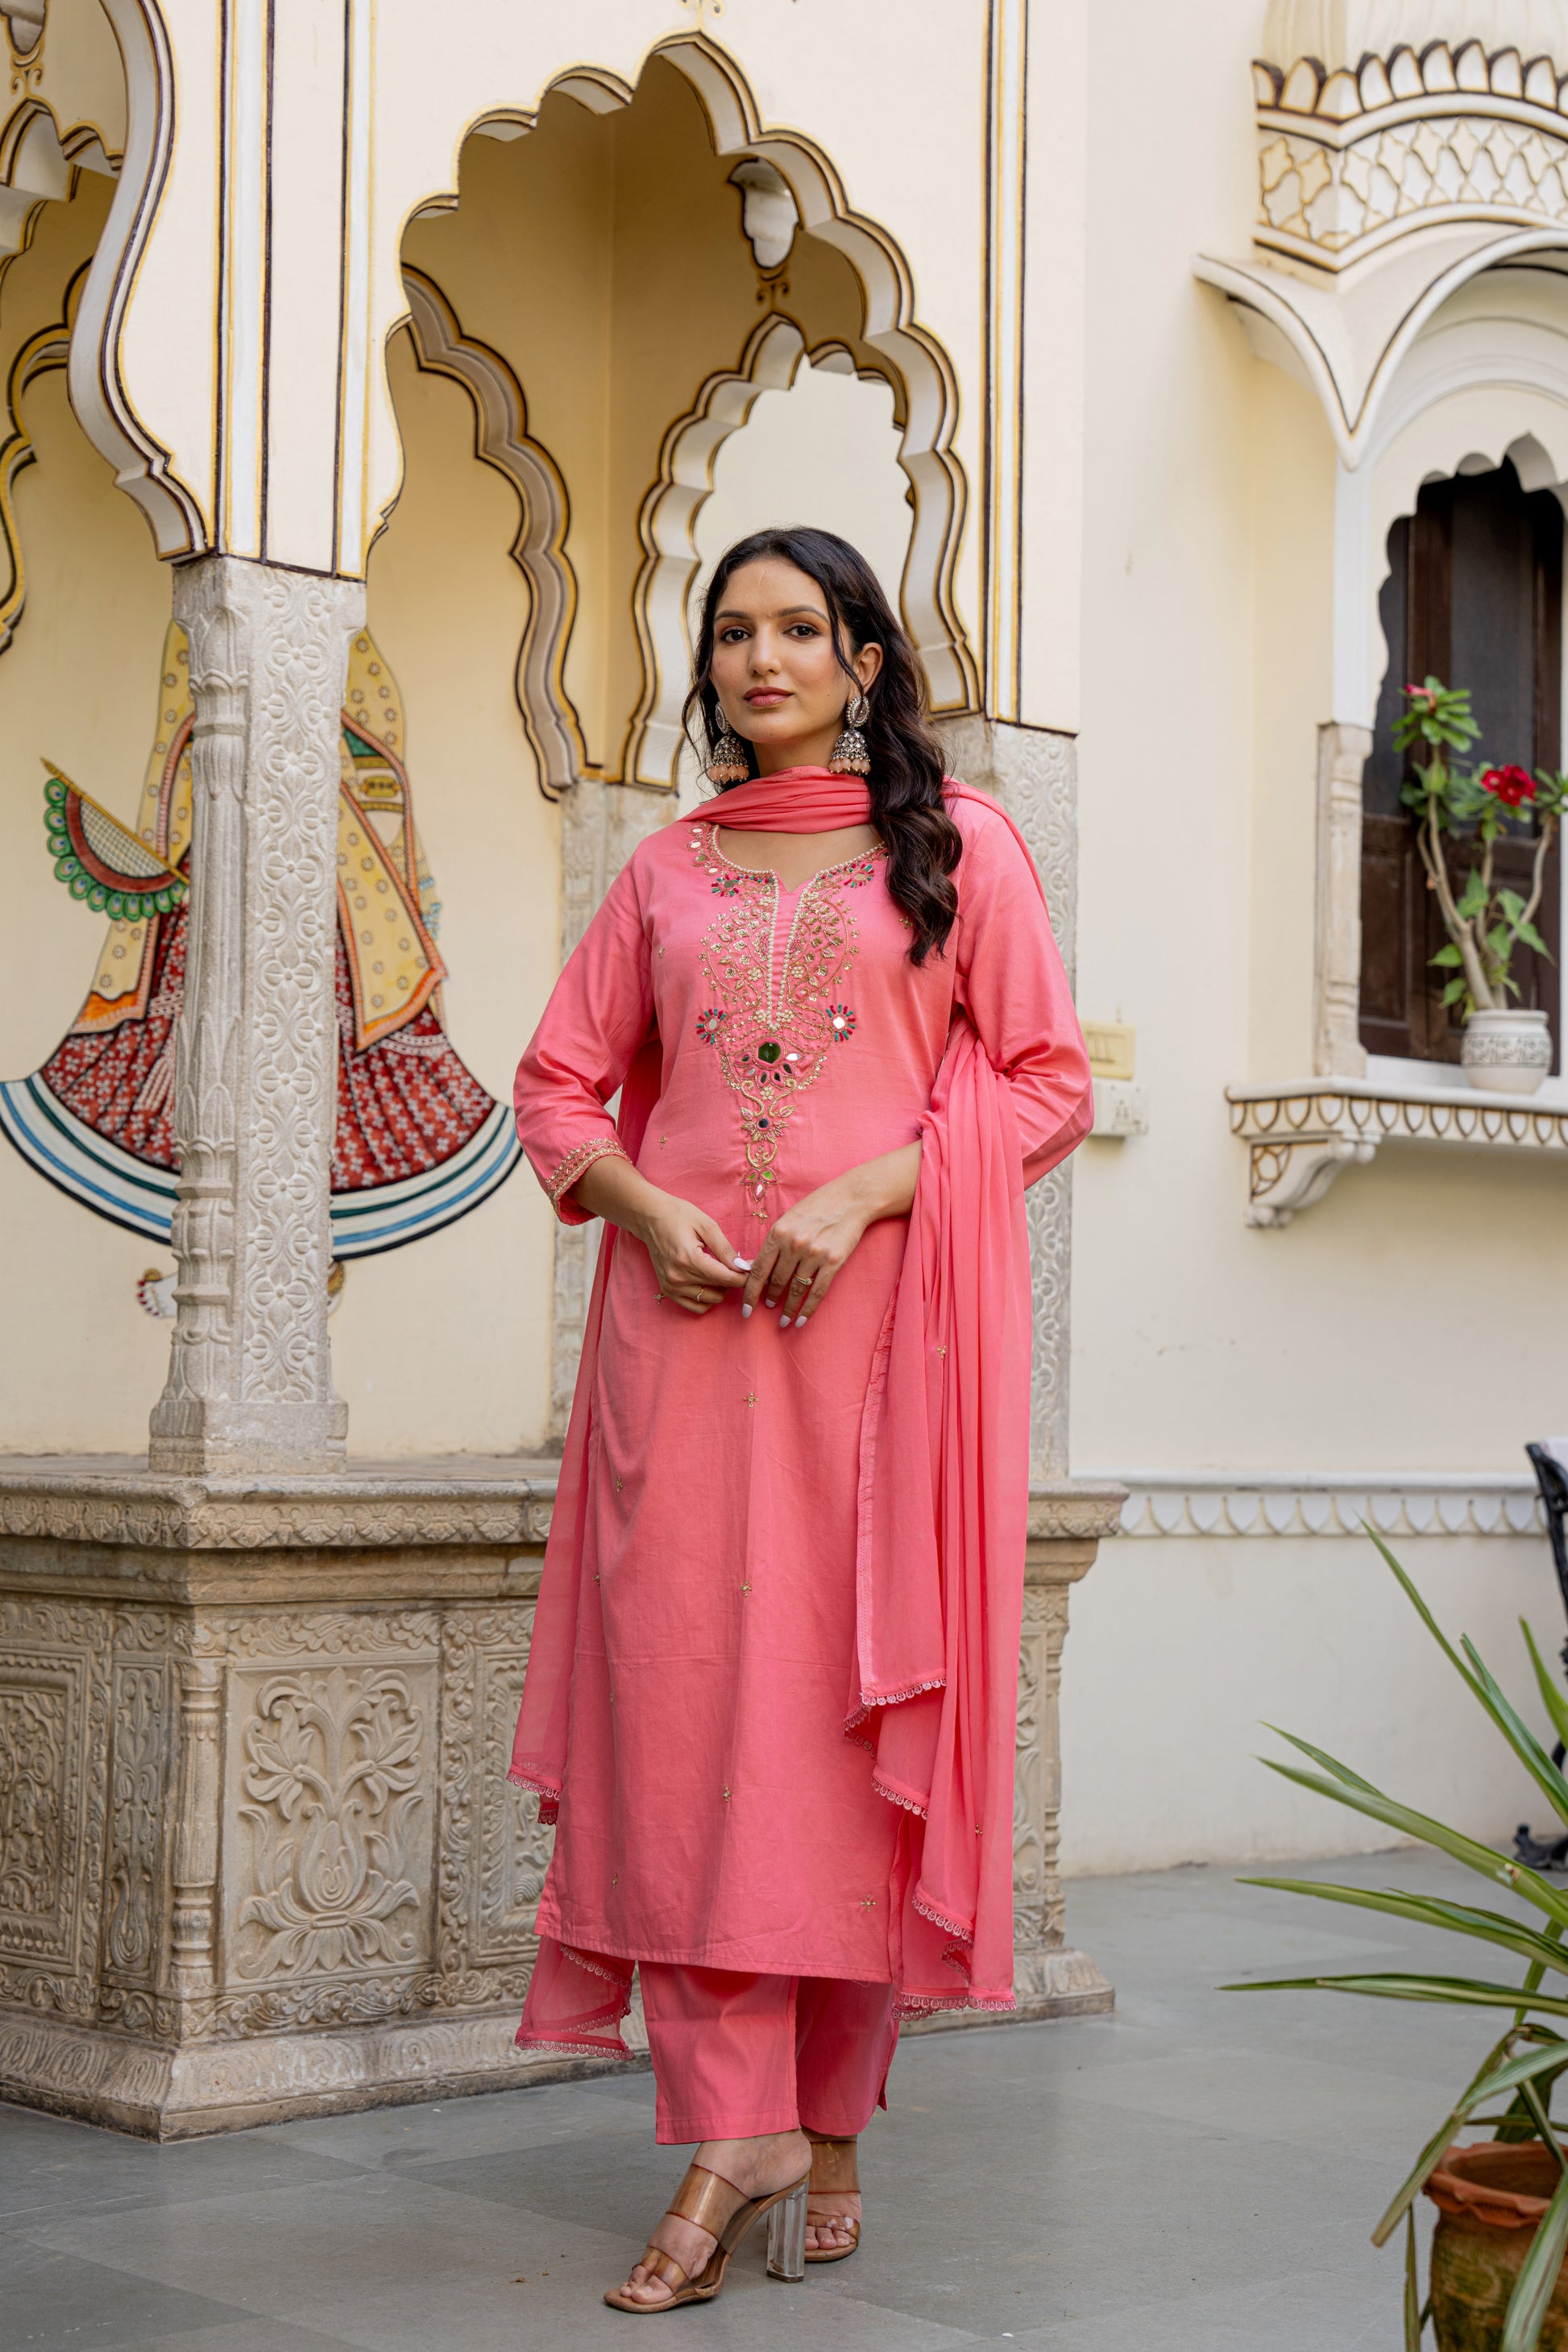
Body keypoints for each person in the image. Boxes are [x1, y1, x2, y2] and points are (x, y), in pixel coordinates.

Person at [510, 525, 1092, 2312]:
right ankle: (743, 2117)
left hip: (873, 1365)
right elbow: (553, 1085)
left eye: (800, 627)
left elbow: (1047, 1079)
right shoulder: (662, 871)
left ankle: (804, 2116)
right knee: (685, 1735)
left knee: (836, 1736)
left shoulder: (960, 848)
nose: (762, 657)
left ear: (860, 656)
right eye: (733, 630)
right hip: (676, 1360)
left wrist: (865, 1195)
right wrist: (633, 1196)